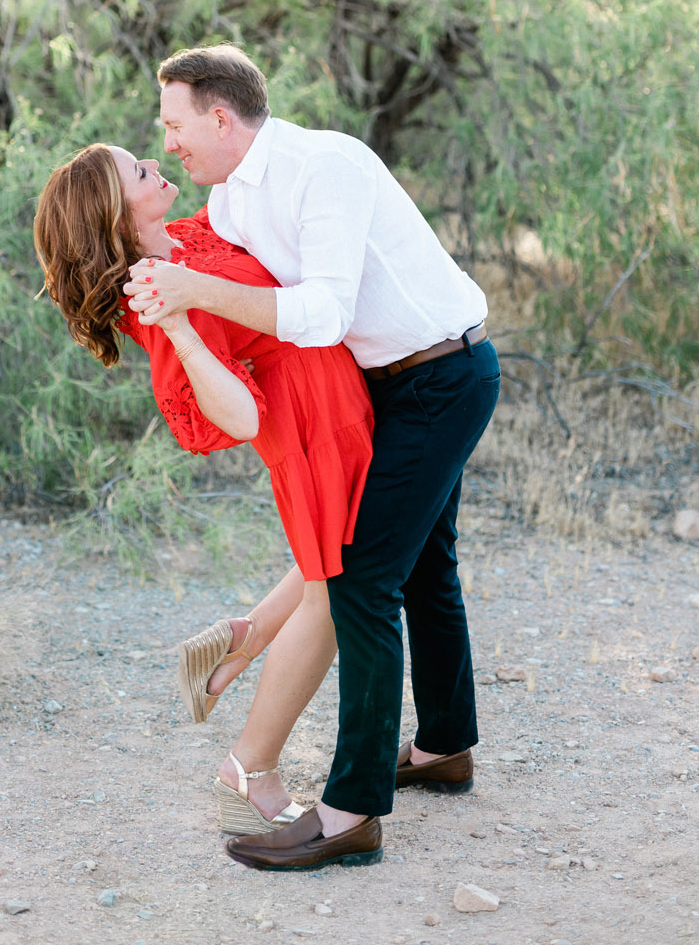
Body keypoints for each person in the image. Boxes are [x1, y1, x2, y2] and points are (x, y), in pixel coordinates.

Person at [124, 45, 501, 872]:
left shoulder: (324, 165)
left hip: (445, 372)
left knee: (364, 580)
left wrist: (195, 296)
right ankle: (445, 747)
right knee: (426, 565)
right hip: (389, 389)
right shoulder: (228, 204)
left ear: (221, 118)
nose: (172, 143)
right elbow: (219, 280)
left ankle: (350, 811)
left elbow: (324, 313)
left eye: (176, 126)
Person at [33, 143, 375, 836]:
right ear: (119, 215)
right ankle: (247, 771)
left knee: (347, 566)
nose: (154, 165)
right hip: (308, 426)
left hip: (336, 399)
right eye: (138, 171)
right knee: (336, 595)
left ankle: (236, 646)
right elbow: (240, 416)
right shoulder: (156, 291)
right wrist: (182, 328)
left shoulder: (186, 234)